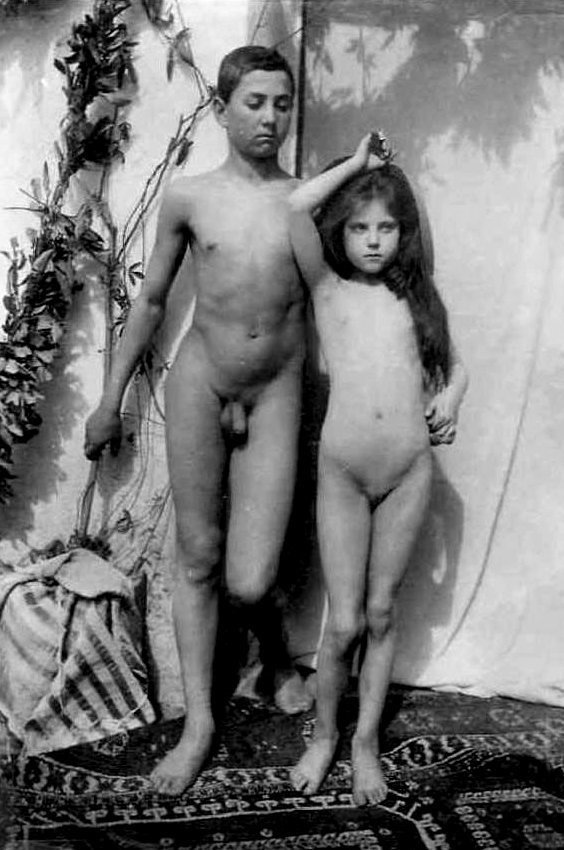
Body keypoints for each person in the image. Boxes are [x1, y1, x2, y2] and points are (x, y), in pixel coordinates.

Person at [83, 45, 312, 796]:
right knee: (197, 557)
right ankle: (200, 725)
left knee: (250, 578)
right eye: (254, 103)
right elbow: (152, 302)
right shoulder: (188, 196)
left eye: (282, 104)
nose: (270, 118)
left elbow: (349, 297)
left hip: (276, 391)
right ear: (221, 109)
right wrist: (109, 400)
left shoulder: (307, 199)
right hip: (201, 385)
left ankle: (274, 655)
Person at [287, 134, 468, 806]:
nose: (371, 241)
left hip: (408, 471)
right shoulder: (328, 289)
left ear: (403, 233)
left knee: (382, 611)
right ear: (340, 232)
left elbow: (457, 368)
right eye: (358, 228)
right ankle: (323, 735)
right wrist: (358, 166)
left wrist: (450, 397)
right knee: (343, 624)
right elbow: (293, 211)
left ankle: (364, 743)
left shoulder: (416, 298)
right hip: (343, 470)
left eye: (385, 228)